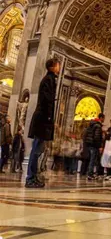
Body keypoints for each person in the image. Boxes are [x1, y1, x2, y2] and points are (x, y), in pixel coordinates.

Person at [26, 58, 59, 188]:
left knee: (38, 149)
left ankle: (33, 176)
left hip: (43, 118)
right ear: (52, 67)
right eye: (57, 65)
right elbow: (47, 101)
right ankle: (30, 178)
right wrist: (50, 119)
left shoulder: (50, 79)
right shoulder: (48, 80)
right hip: (42, 119)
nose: (59, 68)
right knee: (36, 149)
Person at [84, 113, 105, 180]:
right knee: (93, 160)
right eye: (104, 118)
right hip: (94, 145)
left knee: (92, 159)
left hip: (90, 144)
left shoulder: (91, 124)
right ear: (101, 118)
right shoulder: (98, 126)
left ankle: (90, 173)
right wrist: (99, 146)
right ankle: (90, 174)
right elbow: (97, 137)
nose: (104, 119)